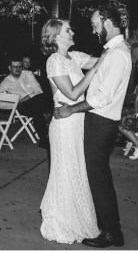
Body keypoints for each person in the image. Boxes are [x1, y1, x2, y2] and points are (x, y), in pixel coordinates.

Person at [53, 6, 132, 249]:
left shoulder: (117, 53)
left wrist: (71, 109)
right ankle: (103, 225)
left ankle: (112, 233)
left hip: (101, 123)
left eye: (95, 23)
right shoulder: (112, 52)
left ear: (107, 22)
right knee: (94, 176)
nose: (92, 28)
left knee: (99, 179)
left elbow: (102, 97)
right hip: (97, 123)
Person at [39, 18, 103, 244]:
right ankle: (64, 221)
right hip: (64, 126)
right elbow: (73, 93)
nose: (73, 32)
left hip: (78, 123)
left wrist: (114, 44)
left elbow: (103, 60)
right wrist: (94, 70)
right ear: (56, 36)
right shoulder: (54, 61)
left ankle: (80, 218)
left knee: (78, 169)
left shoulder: (74, 57)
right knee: (66, 170)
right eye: (68, 30)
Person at [0, 58, 49, 148]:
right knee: (38, 105)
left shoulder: (28, 74)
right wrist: (20, 100)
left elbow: (39, 90)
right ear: (9, 68)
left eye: (19, 66)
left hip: (35, 102)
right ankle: (46, 130)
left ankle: (44, 139)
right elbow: (1, 104)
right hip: (21, 106)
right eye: (15, 67)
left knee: (38, 106)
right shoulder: (5, 83)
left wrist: (27, 97)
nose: (18, 68)